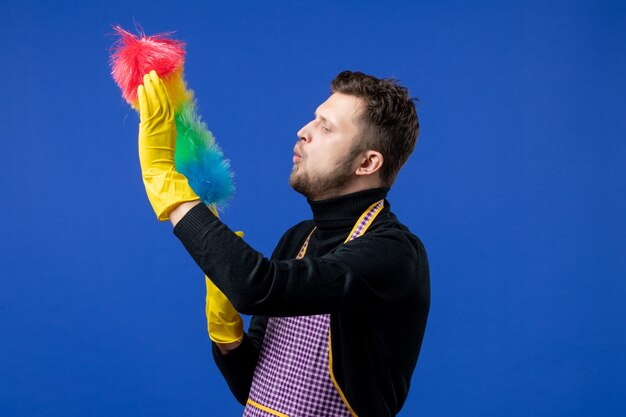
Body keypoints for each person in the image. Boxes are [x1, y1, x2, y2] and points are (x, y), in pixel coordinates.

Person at [137, 69, 430, 417]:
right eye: (313, 119)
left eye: (326, 126)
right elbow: (255, 387)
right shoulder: (298, 238)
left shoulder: (393, 253)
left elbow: (258, 287)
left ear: (367, 162)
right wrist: (228, 336)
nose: (303, 132)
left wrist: (169, 188)